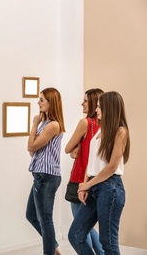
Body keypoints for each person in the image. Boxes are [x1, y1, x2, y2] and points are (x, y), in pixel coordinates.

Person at [68, 91, 130, 255]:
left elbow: (111, 167)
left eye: (99, 107)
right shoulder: (99, 131)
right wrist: (84, 185)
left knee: (108, 242)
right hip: (94, 186)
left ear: (109, 108)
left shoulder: (120, 132)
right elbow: (91, 161)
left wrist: (87, 184)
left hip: (110, 188)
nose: (96, 110)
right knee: (75, 235)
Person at [64, 89, 104, 255]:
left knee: (79, 228)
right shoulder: (107, 124)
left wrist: (76, 150)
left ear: (94, 103)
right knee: (87, 226)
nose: (82, 103)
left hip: (80, 179)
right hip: (98, 180)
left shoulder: (86, 123)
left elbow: (68, 149)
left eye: (86, 101)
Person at [26, 87, 65, 255]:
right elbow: (32, 151)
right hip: (41, 176)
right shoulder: (46, 124)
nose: (38, 102)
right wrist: (37, 127)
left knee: (46, 220)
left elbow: (31, 146)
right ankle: (54, 248)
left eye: (41, 99)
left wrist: (34, 125)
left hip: (46, 177)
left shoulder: (53, 125)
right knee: (32, 215)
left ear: (51, 102)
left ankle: (50, 252)